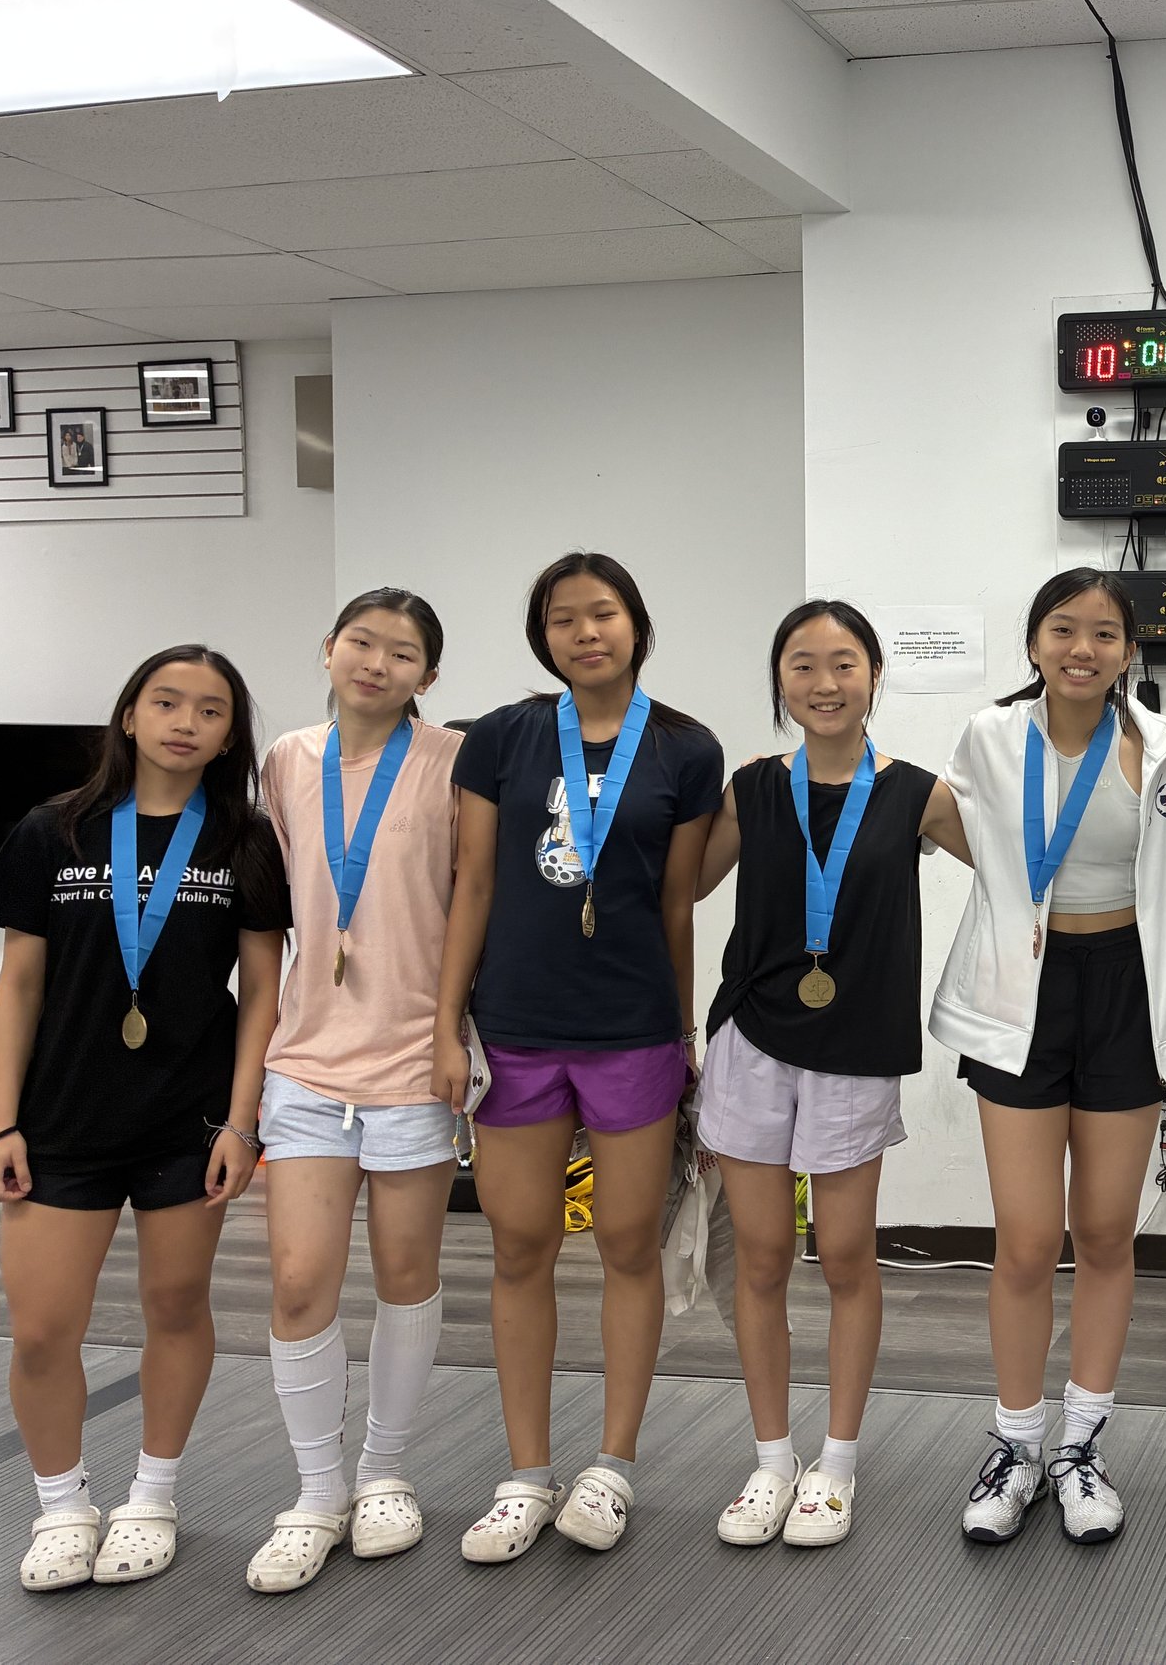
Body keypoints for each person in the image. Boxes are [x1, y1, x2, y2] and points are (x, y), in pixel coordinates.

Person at [0, 646, 287, 1592]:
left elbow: (266, 989)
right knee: (40, 1330)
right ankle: (63, 1504)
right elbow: (18, 983)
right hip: (60, 1120)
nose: (186, 720)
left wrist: (242, 1123)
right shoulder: (54, 829)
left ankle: (153, 1493)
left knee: (177, 1306)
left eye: (211, 709)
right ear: (129, 715)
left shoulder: (241, 836)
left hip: (186, 1121)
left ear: (231, 734)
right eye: (166, 701)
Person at [435, 552, 723, 1563]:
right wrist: (445, 1025)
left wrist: (681, 1029)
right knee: (518, 1246)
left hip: (632, 1029)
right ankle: (524, 1474)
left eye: (603, 614)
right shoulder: (500, 740)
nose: (585, 632)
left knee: (627, 1242)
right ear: (542, 635)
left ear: (636, 626)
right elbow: (470, 886)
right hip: (513, 1024)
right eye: (564, 619)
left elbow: (676, 902)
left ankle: (611, 1466)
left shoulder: (685, 749)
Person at [929, 568, 1166, 1547]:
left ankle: (1080, 1448)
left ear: (1129, 649)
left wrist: (1161, 950)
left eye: (1102, 633)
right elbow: (954, 832)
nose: (1081, 648)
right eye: (1062, 629)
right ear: (1035, 643)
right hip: (1020, 992)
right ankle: (1014, 1447)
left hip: (1124, 986)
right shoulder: (989, 740)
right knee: (1022, 1235)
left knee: (1102, 1232)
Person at [696, 600, 961, 1550]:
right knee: (761, 1260)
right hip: (753, 1041)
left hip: (857, 1048)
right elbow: (682, 881)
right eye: (802, 664)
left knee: (846, 1256)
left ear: (875, 673)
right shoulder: (750, 787)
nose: (823, 682)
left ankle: (837, 1462)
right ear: (780, 681)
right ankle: (772, 1458)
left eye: (843, 662)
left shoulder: (919, 793)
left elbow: (1027, 864)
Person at [243, 591, 465, 1593]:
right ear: (328, 650)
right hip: (306, 1059)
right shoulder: (286, 759)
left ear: (428, 673)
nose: (378, 662)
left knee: (407, 1275)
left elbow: (475, 901)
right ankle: (317, 1489)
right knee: (299, 1283)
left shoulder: (455, 760)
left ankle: (384, 1473)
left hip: (414, 1059)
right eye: (363, 643)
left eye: (404, 651)